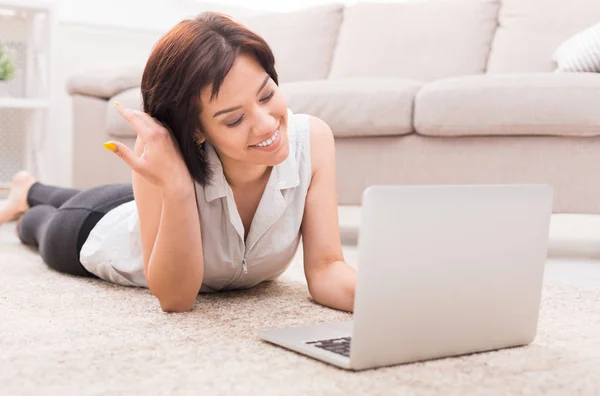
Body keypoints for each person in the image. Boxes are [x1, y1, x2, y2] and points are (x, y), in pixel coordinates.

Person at [0, 12, 357, 313]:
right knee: (38, 223)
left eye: (267, 94)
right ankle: (26, 198)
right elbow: (176, 299)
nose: (266, 124)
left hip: (132, 203)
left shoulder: (312, 139)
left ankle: (28, 188)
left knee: (112, 200)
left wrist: (388, 300)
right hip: (89, 225)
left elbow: (327, 268)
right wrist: (177, 188)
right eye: (234, 120)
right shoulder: (164, 151)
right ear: (196, 131)